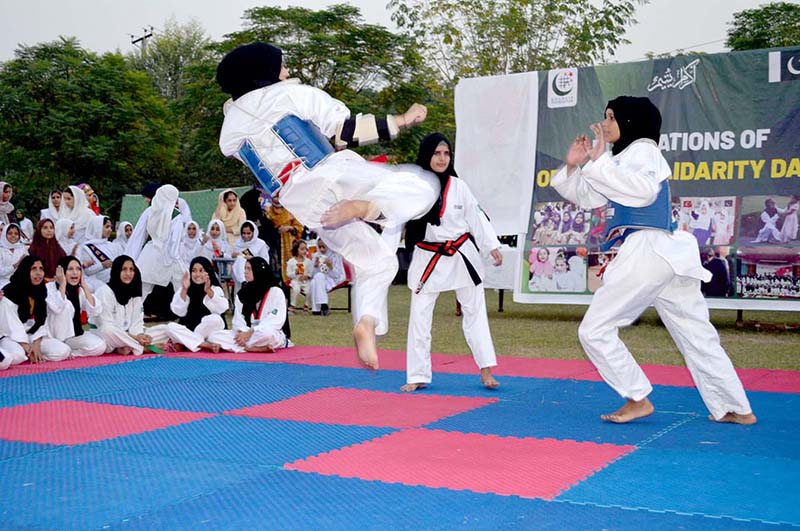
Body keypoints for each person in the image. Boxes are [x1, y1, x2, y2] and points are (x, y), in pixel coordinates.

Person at [216, 42, 438, 369]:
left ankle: (367, 323)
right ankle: (362, 208)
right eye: (282, 66)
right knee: (424, 187)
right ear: (264, 73)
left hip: (305, 204)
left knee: (378, 261)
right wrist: (403, 119)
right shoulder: (292, 95)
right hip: (330, 174)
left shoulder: (231, 133)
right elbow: (346, 131)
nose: (288, 72)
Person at [551, 95, 755, 424]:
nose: (605, 124)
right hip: (667, 256)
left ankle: (636, 397)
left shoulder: (643, 149)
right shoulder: (622, 159)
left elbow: (643, 192)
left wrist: (599, 162)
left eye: (612, 117)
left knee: (595, 329)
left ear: (631, 121)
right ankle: (735, 407)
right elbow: (589, 197)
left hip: (648, 251)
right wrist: (576, 165)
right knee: (695, 334)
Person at [401, 133, 502, 392]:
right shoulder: (414, 188)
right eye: (437, 153)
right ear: (427, 155)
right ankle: (417, 374)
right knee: (420, 316)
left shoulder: (459, 186)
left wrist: (492, 245)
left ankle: (486, 370)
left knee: (475, 312)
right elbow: (396, 219)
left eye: (446, 153)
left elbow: (477, 217)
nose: (442, 158)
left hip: (460, 254)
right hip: (428, 257)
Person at [209, 257, 290, 352]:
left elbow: (276, 319)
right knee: (214, 336)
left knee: (268, 335)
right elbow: (238, 319)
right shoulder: (242, 293)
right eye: (245, 268)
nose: (245, 272)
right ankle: (254, 348)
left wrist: (251, 332)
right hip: (246, 332)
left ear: (258, 271)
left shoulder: (276, 291)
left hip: (264, 332)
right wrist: (243, 333)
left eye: (249, 269)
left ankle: (245, 347)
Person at [146, 257, 227, 352]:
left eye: (201, 271)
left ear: (208, 272)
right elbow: (178, 311)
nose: (197, 274)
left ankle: (185, 342)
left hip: (208, 331)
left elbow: (222, 308)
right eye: (194, 271)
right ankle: (203, 344)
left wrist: (208, 290)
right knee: (170, 327)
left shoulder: (215, 289)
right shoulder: (187, 288)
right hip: (188, 330)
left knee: (215, 319)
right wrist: (184, 289)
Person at [1, 256, 71, 363]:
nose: (38, 273)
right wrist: (29, 349)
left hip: (32, 335)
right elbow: (12, 327)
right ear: (25, 270)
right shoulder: (10, 293)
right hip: (11, 337)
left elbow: (41, 321)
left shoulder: (41, 290)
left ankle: (34, 356)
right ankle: (28, 355)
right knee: (17, 356)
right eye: (33, 269)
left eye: (41, 269)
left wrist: (36, 344)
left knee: (63, 351)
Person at [126, 184, 186, 302]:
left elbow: (138, 236)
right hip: (169, 256)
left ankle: (130, 315)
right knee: (182, 286)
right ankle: (187, 313)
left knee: (141, 289)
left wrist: (130, 256)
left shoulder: (149, 211)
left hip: (150, 253)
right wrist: (176, 259)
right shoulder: (177, 216)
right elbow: (175, 242)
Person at [45, 256, 106, 357]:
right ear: (61, 271)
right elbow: (57, 307)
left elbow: (94, 310)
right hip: (54, 337)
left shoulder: (79, 290)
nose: (75, 272)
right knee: (67, 306)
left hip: (74, 336)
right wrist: (62, 284)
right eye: (70, 269)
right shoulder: (49, 288)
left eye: (78, 269)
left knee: (100, 346)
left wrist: (85, 286)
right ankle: (62, 350)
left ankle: (72, 353)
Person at [92, 256, 151, 355]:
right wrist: (135, 338)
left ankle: (126, 346)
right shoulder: (104, 292)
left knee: (167, 328)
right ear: (116, 270)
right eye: (124, 269)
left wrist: (140, 335)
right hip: (106, 336)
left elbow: (137, 321)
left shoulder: (134, 291)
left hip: (129, 335)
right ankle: (142, 348)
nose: (128, 274)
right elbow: (105, 325)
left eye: (131, 269)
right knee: (108, 330)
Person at [265, 199, 303, 282]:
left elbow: (299, 228)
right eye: (275, 197)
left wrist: (290, 228)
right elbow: (265, 229)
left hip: (289, 244)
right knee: (276, 270)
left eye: (279, 197)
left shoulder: (290, 210)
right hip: (274, 244)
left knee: (291, 268)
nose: (277, 199)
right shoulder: (268, 212)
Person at [78, 216, 118, 288]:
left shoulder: (111, 245)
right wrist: (102, 265)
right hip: (98, 286)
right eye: (107, 227)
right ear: (97, 228)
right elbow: (87, 271)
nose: (110, 230)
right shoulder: (87, 248)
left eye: (111, 227)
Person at [309, 238, 345, 316]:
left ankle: (320, 307)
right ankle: (318, 309)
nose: (322, 249)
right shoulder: (316, 256)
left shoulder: (335, 255)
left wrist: (330, 266)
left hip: (331, 280)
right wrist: (315, 266)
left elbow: (338, 275)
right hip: (319, 281)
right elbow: (311, 275)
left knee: (318, 276)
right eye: (320, 247)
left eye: (324, 247)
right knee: (313, 281)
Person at [232, 220, 270, 287]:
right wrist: (234, 255)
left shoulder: (260, 244)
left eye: (248, 233)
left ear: (253, 232)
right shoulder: (237, 244)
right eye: (243, 233)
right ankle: (243, 281)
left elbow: (266, 260)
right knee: (241, 258)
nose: (246, 236)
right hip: (239, 273)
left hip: (257, 272)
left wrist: (253, 259)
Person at [285, 239, 312, 313]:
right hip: (295, 281)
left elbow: (311, 272)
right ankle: (292, 306)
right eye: (302, 249)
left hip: (305, 281)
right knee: (296, 289)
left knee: (309, 290)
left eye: (305, 249)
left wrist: (307, 276)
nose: (304, 251)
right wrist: (295, 273)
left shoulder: (308, 261)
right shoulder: (291, 262)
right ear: (296, 250)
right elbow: (288, 274)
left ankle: (306, 305)